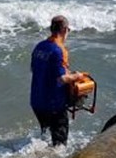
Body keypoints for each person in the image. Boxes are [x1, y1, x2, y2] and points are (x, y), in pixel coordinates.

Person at [30, 15, 84, 146]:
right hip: (53, 105)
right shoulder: (59, 50)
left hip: (36, 102)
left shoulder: (40, 46)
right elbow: (61, 78)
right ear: (65, 30)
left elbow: (34, 69)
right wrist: (77, 76)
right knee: (59, 145)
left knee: (46, 137)